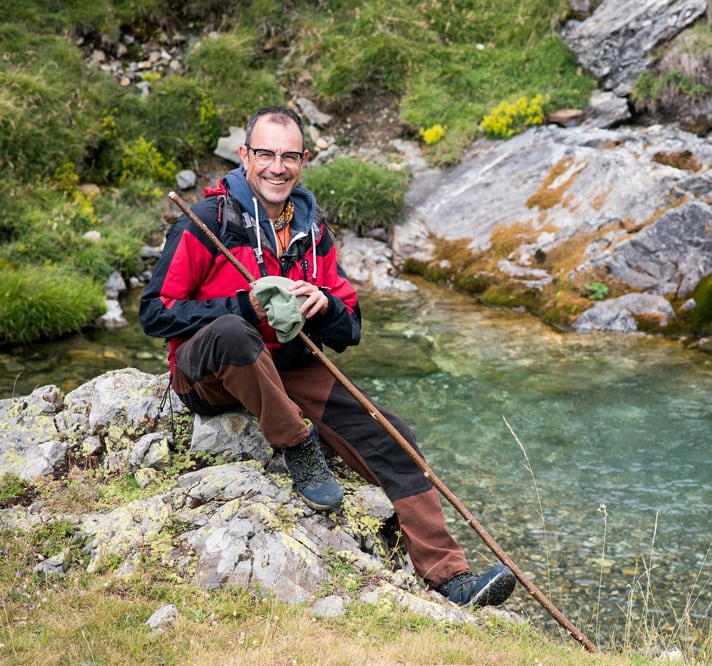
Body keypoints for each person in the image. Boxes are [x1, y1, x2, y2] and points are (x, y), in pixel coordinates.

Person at [139, 105, 516, 609]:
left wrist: (325, 306)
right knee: (232, 329)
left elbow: (351, 327)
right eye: (266, 155)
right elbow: (155, 313)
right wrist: (242, 307)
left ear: (304, 160)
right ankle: (297, 442)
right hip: (211, 373)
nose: (278, 167)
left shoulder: (313, 234)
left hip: (290, 368)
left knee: (394, 437)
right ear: (246, 156)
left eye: (289, 157)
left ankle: (450, 578)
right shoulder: (207, 221)